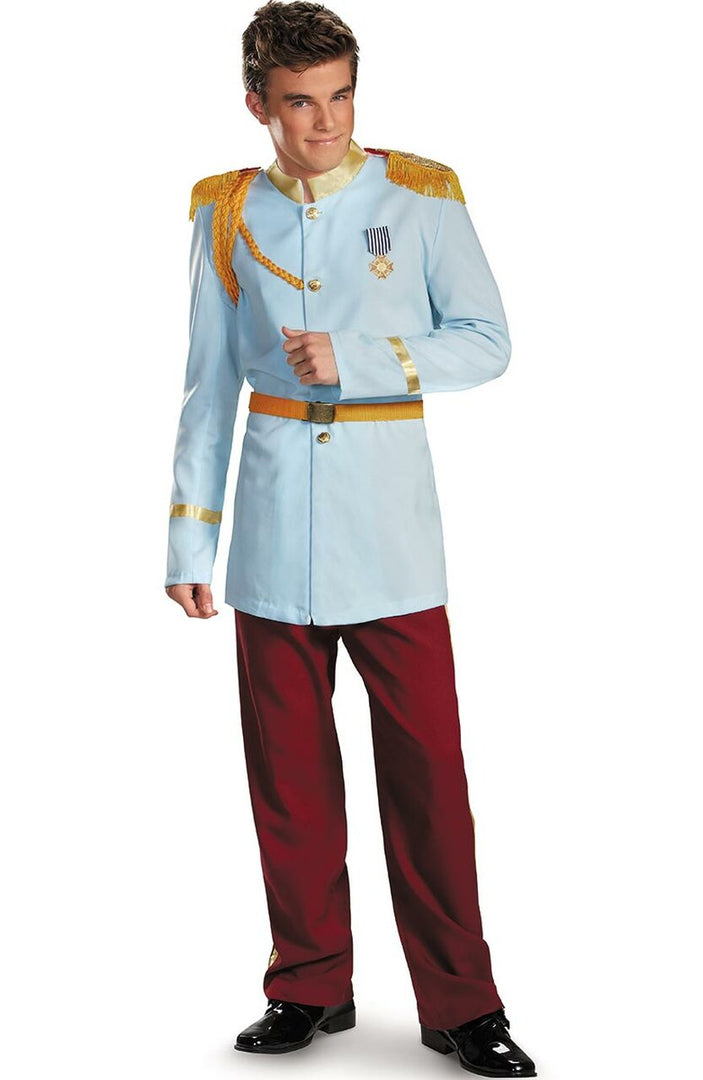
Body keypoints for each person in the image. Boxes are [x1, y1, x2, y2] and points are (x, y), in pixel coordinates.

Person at [165, 1, 537, 1074]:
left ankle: (463, 1005)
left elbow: (488, 341)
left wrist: (364, 361)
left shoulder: (422, 194)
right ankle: (309, 984)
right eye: (300, 103)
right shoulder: (223, 211)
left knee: (429, 778)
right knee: (287, 779)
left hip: (390, 535)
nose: (326, 123)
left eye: (340, 98)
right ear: (258, 105)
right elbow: (207, 384)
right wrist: (192, 543)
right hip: (273, 534)